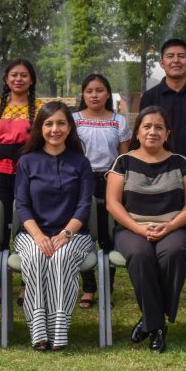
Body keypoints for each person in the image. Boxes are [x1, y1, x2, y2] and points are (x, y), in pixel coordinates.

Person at [106, 106, 186, 353]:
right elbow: (113, 204)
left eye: (159, 127)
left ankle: (149, 320)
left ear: (167, 133)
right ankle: (157, 325)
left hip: (174, 227)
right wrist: (138, 228)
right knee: (140, 254)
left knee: (174, 253)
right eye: (147, 126)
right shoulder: (123, 162)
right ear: (137, 132)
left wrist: (169, 226)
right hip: (131, 228)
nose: (153, 132)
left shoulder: (181, 163)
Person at [15, 102, 94, 350]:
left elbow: (84, 205)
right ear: (40, 128)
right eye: (48, 123)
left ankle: (59, 328)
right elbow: (22, 205)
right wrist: (38, 236)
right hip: (32, 233)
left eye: (61, 123)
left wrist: (66, 233)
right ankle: (39, 330)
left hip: (74, 233)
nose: (55, 129)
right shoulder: (27, 161)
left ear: (70, 128)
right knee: (37, 258)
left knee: (61, 259)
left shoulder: (80, 163)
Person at [139, 38, 186, 251]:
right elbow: (145, 136)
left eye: (181, 56)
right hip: (157, 176)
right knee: (161, 234)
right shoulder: (150, 96)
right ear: (161, 63)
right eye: (170, 56)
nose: (176, 61)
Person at [73, 73, 131, 309]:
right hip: (80, 180)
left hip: (111, 179)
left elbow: (124, 157)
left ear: (108, 94)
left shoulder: (119, 121)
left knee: (108, 237)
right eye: (89, 91)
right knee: (83, 233)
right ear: (83, 94)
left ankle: (107, 288)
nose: (94, 95)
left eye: (99, 90)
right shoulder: (73, 119)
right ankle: (88, 288)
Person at [0, 58, 44, 250]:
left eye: (24, 75)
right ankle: (2, 265)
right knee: (1, 217)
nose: (19, 79)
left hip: (30, 171)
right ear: (6, 80)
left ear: (31, 80)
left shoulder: (41, 109)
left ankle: (28, 261)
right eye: (14, 75)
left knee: (29, 216)